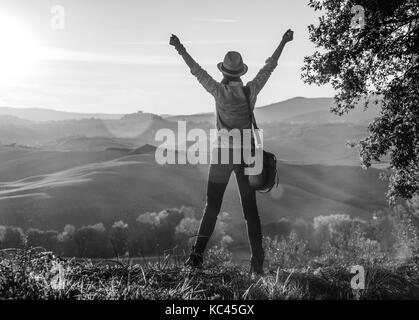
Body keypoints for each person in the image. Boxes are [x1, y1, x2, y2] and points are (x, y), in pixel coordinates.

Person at [169, 29, 294, 275]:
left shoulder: (217, 91)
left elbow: (196, 70)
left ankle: (196, 259)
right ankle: (257, 264)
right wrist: (283, 42)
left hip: (223, 155)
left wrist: (179, 47)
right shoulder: (250, 91)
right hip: (247, 155)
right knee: (251, 211)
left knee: (212, 207)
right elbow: (270, 67)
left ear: (224, 72)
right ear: (240, 72)